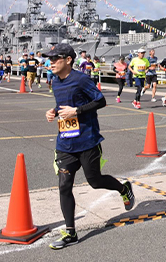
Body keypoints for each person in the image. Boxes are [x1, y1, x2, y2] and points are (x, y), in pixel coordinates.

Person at [43, 43, 135, 250]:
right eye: (49, 59)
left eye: (54, 59)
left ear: (68, 60)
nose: (51, 63)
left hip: (87, 140)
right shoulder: (55, 82)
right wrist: (53, 112)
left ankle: (123, 188)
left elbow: (100, 101)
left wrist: (76, 111)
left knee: (95, 181)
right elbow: (62, 106)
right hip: (65, 142)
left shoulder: (81, 79)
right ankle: (70, 232)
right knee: (64, 185)